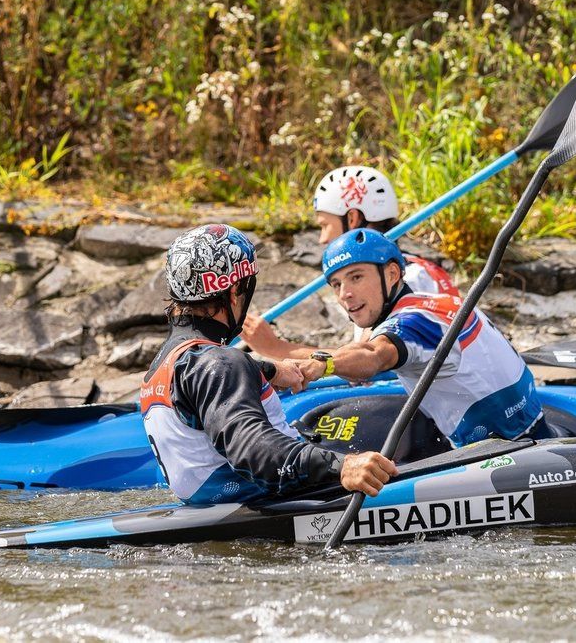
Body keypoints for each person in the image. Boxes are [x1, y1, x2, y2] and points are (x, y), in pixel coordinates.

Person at [141, 224, 398, 505]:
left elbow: (204, 382)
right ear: (235, 290)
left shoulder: (167, 362)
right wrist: (341, 466)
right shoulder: (220, 363)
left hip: (215, 505)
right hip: (272, 506)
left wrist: (271, 369)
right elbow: (251, 448)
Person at [296, 228, 553, 448]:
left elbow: (374, 356)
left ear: (392, 274)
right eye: (336, 285)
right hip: (532, 430)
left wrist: (323, 364)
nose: (345, 294)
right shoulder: (434, 304)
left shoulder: (412, 322)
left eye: (356, 277)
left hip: (505, 455)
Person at [241, 165, 457, 360]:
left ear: (352, 219)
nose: (322, 239)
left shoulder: (409, 278)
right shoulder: (411, 268)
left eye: (325, 225)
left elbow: (364, 363)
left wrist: (275, 348)